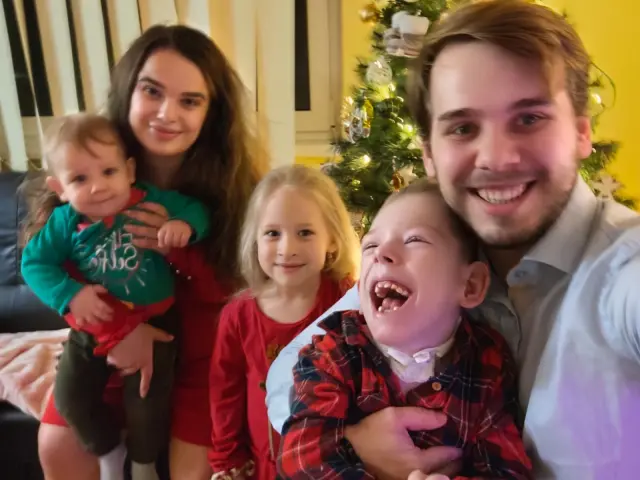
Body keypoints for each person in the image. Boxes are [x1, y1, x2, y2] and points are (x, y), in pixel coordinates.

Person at [266, 1, 640, 479]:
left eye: (529, 118)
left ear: (582, 132)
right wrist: (355, 445)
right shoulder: (431, 258)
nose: (497, 157)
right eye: (463, 128)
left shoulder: (623, 272)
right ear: (429, 156)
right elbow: (284, 380)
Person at [26, 25, 268, 480]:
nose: (166, 113)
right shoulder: (87, 167)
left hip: (201, 359)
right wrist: (118, 333)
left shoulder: (234, 189)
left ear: (212, 113)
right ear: (127, 91)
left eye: (189, 101)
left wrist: (176, 250)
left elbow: (239, 293)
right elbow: (55, 273)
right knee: (58, 448)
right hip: (108, 344)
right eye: (152, 91)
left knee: (190, 471)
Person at [277, 178, 532, 480]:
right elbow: (299, 461)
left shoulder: (487, 362)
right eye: (370, 245)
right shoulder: (332, 353)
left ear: (471, 285)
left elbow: (506, 470)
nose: (381, 252)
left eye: (414, 240)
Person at [22, 113, 211, 480]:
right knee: (71, 397)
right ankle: (110, 454)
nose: (98, 187)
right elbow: (34, 263)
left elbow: (196, 210)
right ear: (60, 188)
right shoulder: (64, 222)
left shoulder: (149, 201)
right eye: (80, 179)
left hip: (157, 322)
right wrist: (70, 294)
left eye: (108, 172)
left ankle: (143, 465)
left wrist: (184, 226)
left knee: (147, 401)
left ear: (129, 170)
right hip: (94, 323)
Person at [208, 165, 359, 480]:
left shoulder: (348, 304)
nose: (287, 249)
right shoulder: (238, 316)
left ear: (332, 239)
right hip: (263, 469)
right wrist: (228, 459)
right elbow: (225, 393)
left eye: (305, 233)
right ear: (255, 239)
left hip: (335, 467)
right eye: (273, 233)